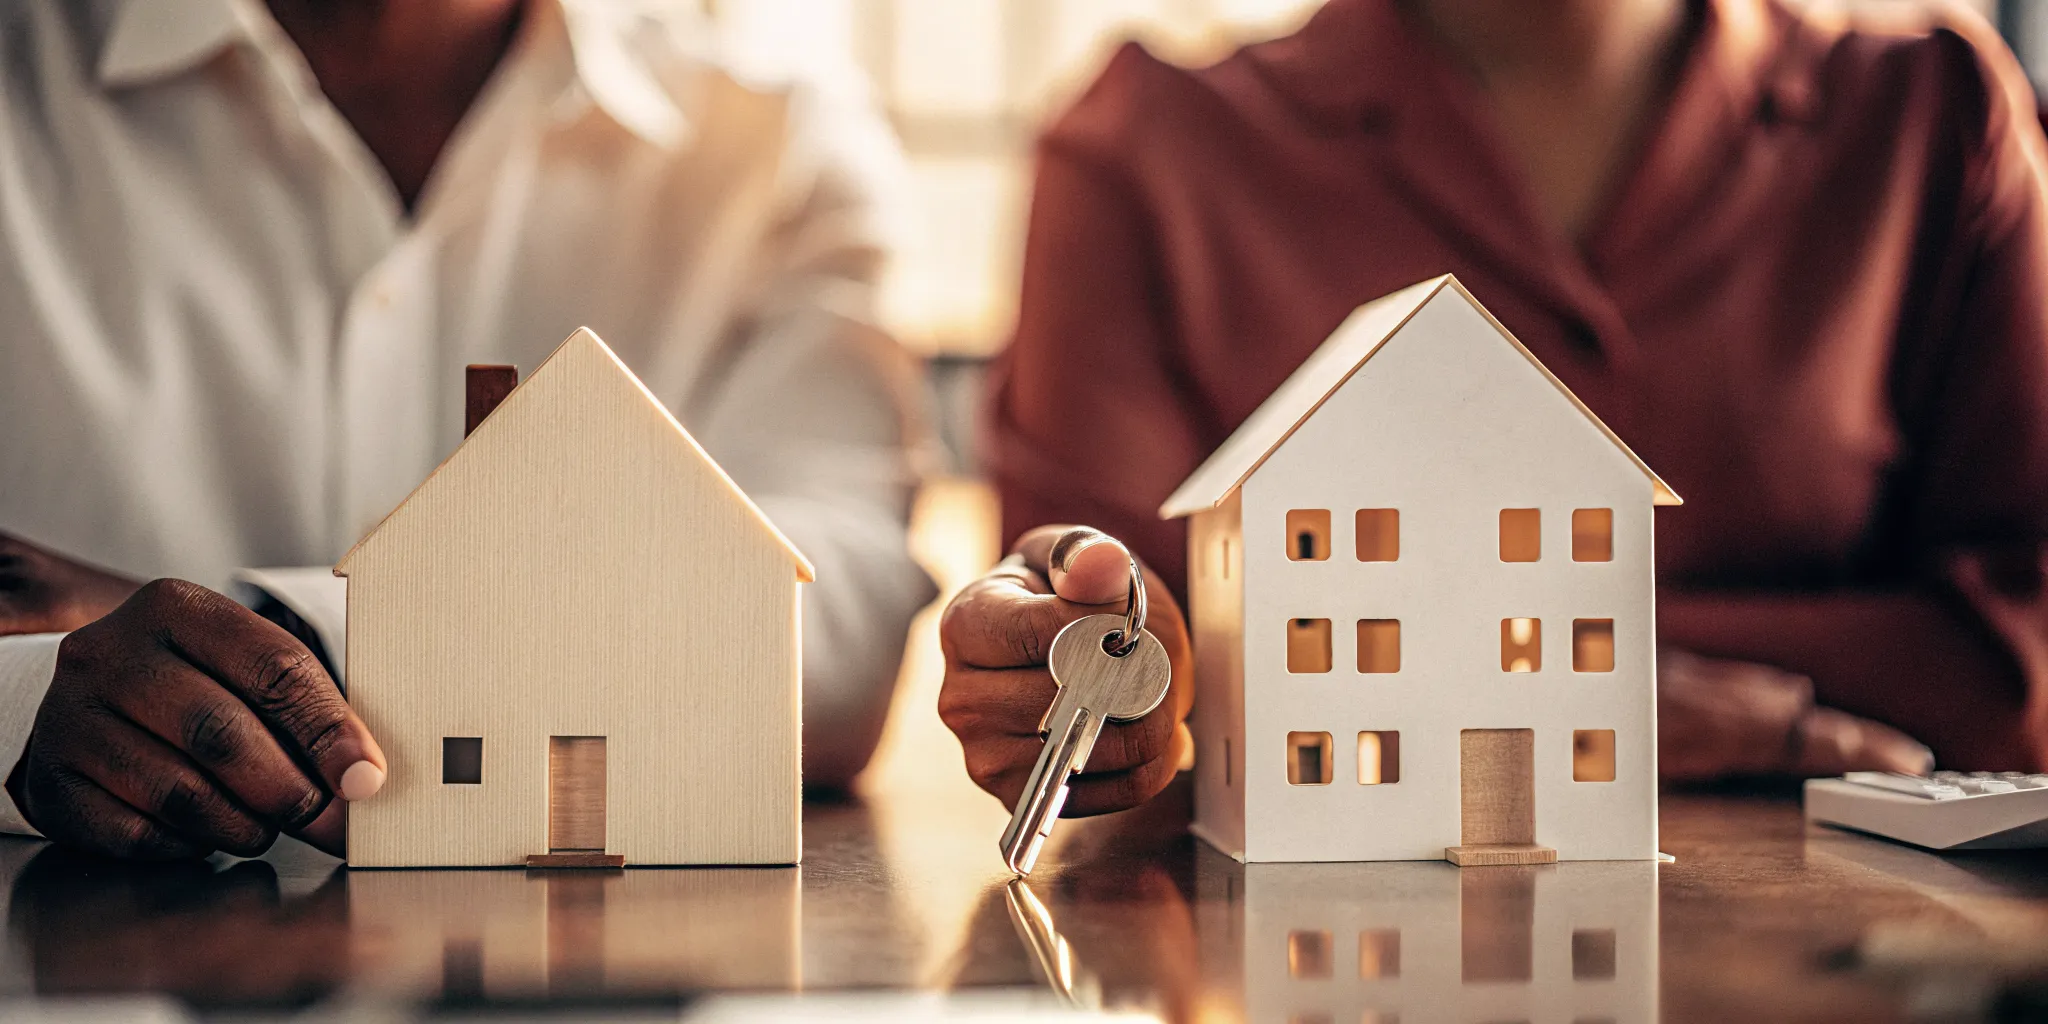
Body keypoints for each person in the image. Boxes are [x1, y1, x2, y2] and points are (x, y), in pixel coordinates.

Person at [941, 0, 2048, 818]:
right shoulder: (1141, 147)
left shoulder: (1939, 119)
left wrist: (1481, 673)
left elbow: (2017, 666)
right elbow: (1130, 669)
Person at [0, 0, 935, 859]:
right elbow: (765, 618)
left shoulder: (783, 135)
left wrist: (264, 645)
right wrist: (17, 710)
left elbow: (835, 624)